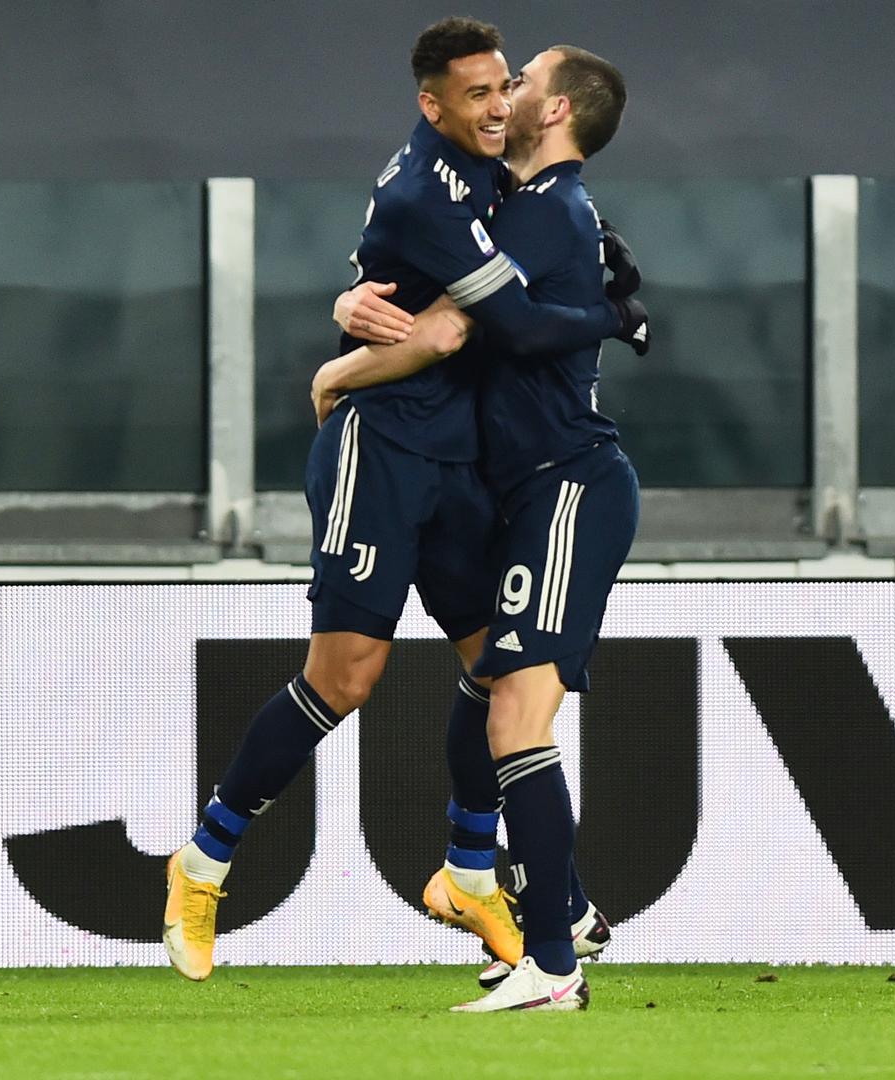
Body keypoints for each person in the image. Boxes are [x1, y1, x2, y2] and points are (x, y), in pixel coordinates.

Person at [162, 17, 647, 983]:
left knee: (501, 676)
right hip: (382, 448)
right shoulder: (427, 190)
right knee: (346, 678)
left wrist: (351, 315)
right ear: (432, 104)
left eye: (507, 85)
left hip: (462, 464)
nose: (498, 104)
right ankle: (204, 861)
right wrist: (344, 367)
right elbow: (461, 330)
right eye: (479, 93)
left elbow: (434, 292)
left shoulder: (506, 180)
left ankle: (471, 871)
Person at [313, 44, 642, 1011]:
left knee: (514, 715)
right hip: (524, 493)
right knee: (489, 692)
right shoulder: (512, 201)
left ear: (559, 110)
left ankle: (551, 959)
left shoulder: (548, 209)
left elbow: (469, 326)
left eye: (523, 81)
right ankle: (524, 900)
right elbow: (425, 275)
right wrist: (349, 299)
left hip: (568, 484)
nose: (506, 96)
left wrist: (336, 372)